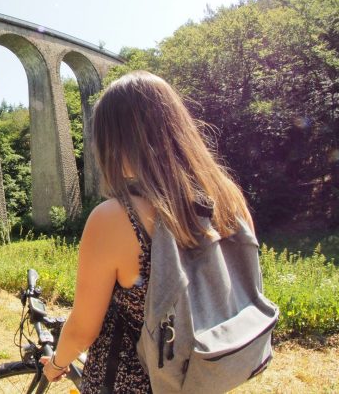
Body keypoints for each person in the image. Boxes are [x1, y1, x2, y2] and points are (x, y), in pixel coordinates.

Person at [41, 71, 254, 393]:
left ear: (115, 141)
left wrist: (56, 365)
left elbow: (84, 328)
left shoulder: (115, 217)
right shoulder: (227, 195)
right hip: (202, 374)